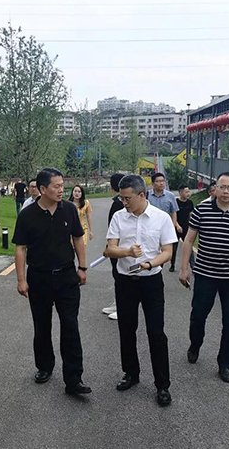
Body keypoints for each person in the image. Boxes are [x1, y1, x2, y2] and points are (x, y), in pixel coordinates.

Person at [12, 168, 91, 396]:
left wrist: (82, 267)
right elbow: (20, 248)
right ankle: (44, 366)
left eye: (62, 186)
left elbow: (78, 238)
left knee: (70, 326)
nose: (61, 190)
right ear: (43, 189)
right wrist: (21, 280)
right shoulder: (27, 214)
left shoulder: (69, 209)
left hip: (67, 276)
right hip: (39, 277)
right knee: (42, 325)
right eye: (56, 186)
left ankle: (74, 378)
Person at [104, 174, 177, 407]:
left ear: (142, 195)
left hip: (151, 281)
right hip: (125, 282)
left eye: (128, 198)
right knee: (127, 330)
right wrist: (126, 252)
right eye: (122, 198)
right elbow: (109, 249)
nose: (124, 202)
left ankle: (162, 385)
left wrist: (149, 264)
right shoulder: (119, 217)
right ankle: (131, 373)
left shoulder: (161, 218)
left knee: (156, 333)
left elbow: (167, 252)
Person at [178, 172, 229, 384]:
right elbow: (189, 240)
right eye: (222, 187)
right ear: (215, 189)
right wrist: (184, 269)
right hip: (205, 274)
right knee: (198, 316)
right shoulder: (201, 210)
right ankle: (195, 345)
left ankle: (225, 363)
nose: (226, 191)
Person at [102, 172, 125, 320]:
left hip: (120, 247)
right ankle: (117, 303)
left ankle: (122, 307)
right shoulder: (117, 202)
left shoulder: (119, 203)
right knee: (117, 275)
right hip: (114, 244)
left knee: (121, 276)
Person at [147, 172, 181, 269]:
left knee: (166, 250)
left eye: (163, 181)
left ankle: (158, 267)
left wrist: (173, 225)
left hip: (164, 228)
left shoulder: (170, 196)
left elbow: (174, 212)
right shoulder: (147, 195)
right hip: (150, 227)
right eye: (158, 181)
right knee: (152, 250)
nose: (161, 183)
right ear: (153, 183)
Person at [170, 185, 195, 273]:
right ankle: (172, 265)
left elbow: (191, 215)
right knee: (174, 249)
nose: (188, 193)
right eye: (186, 192)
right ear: (180, 192)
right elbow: (173, 216)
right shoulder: (176, 202)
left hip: (186, 228)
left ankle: (193, 266)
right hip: (176, 229)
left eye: (189, 191)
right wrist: (177, 225)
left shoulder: (190, 203)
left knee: (189, 248)